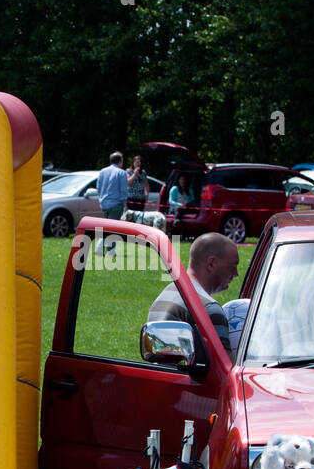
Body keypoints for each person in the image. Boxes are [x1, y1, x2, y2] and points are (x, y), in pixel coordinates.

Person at [147, 231, 240, 360]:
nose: (236, 274)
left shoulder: (167, 294)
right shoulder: (208, 309)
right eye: (232, 266)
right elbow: (225, 373)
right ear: (211, 263)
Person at [94, 152, 128, 254]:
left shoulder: (103, 171)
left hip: (104, 203)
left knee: (107, 227)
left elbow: (98, 188)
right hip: (116, 204)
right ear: (120, 161)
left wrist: (101, 199)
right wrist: (124, 203)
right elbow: (123, 190)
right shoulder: (122, 173)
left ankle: (105, 249)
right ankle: (106, 250)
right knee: (112, 229)